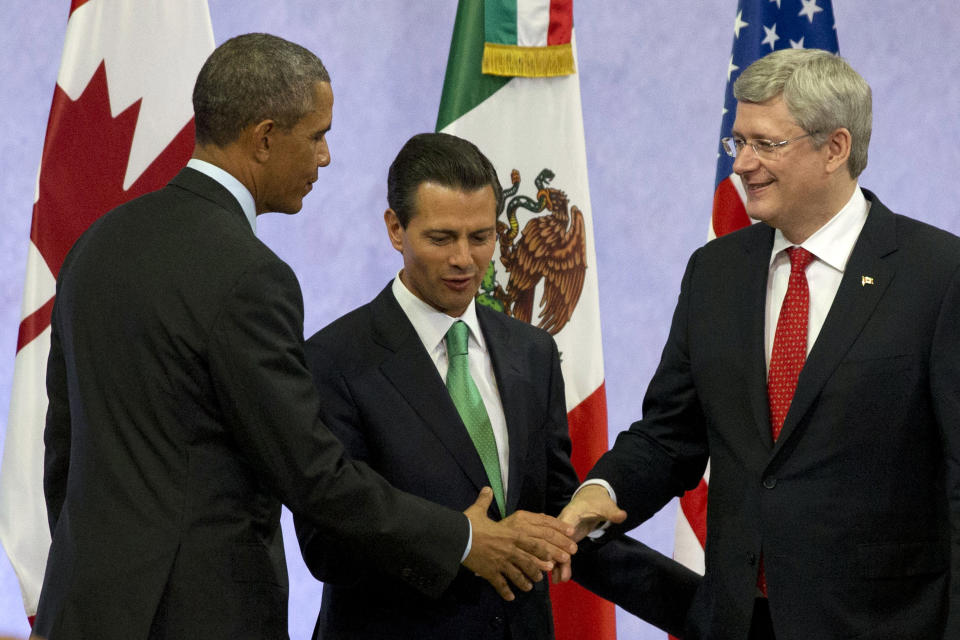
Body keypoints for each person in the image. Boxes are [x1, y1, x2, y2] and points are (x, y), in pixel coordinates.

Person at [34, 34, 577, 640]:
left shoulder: (95, 246)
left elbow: (63, 446)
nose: (324, 157)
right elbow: (312, 474)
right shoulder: (249, 276)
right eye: (317, 135)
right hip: (197, 615)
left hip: (80, 609)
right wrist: (464, 537)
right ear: (265, 138)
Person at [559, 48, 960, 640]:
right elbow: (672, 433)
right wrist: (602, 489)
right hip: (738, 620)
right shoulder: (714, 273)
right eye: (737, 142)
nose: (742, 165)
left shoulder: (938, 274)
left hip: (884, 623)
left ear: (835, 148)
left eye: (765, 144)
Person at [294, 132, 699, 639]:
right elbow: (326, 543)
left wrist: (710, 612)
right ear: (396, 229)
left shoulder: (531, 350)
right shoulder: (333, 360)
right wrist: (460, 542)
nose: (464, 259)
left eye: (482, 237)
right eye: (441, 238)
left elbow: (554, 519)